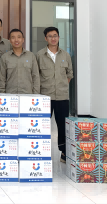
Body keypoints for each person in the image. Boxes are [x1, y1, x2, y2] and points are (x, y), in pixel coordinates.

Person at [36, 26, 74, 163]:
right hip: (45, 96)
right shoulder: (39, 55)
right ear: (45, 38)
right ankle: (40, 150)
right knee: (42, 125)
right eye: (50, 36)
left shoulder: (65, 55)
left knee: (63, 125)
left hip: (62, 96)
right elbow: (36, 75)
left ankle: (64, 152)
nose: (53, 38)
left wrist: (61, 85)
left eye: (55, 35)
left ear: (58, 37)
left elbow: (69, 74)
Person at [0, 29, 40, 94]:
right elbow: (2, 79)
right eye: (13, 37)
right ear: (10, 40)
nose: (16, 40)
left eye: (19, 37)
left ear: (23, 40)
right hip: (10, 95)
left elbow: (36, 77)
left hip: (28, 95)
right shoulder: (5, 57)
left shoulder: (31, 56)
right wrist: (3, 94)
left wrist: (35, 95)